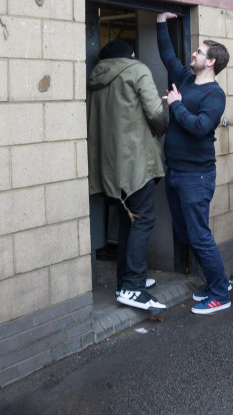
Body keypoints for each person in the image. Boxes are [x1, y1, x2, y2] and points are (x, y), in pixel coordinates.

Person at [157, 12, 232, 315]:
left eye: (200, 52)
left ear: (211, 61)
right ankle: (217, 282)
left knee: (199, 235)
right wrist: (161, 22)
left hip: (196, 176)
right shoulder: (187, 80)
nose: (194, 54)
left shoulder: (215, 94)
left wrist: (176, 106)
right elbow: (167, 55)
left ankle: (220, 292)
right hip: (176, 171)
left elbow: (201, 127)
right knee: (187, 234)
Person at [88, 38, 168, 311]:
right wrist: (164, 122)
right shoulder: (138, 70)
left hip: (110, 167)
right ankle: (132, 287)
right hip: (137, 164)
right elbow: (156, 113)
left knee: (127, 223)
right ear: (132, 54)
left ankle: (126, 280)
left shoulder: (96, 77)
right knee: (143, 221)